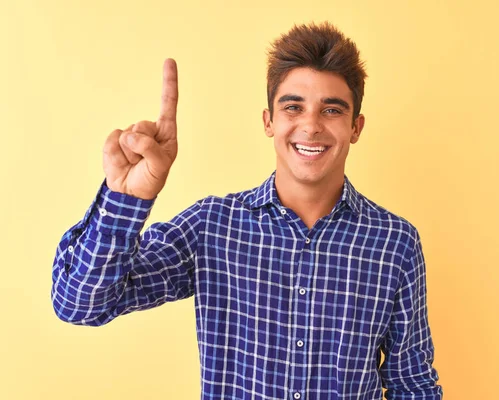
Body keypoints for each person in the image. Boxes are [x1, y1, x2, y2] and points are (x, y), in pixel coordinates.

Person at [51, 22, 443, 399]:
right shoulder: (213, 226)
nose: (310, 126)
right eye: (293, 107)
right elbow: (80, 304)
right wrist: (125, 202)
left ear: (355, 127)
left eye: (331, 110)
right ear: (268, 121)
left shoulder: (394, 242)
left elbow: (414, 386)